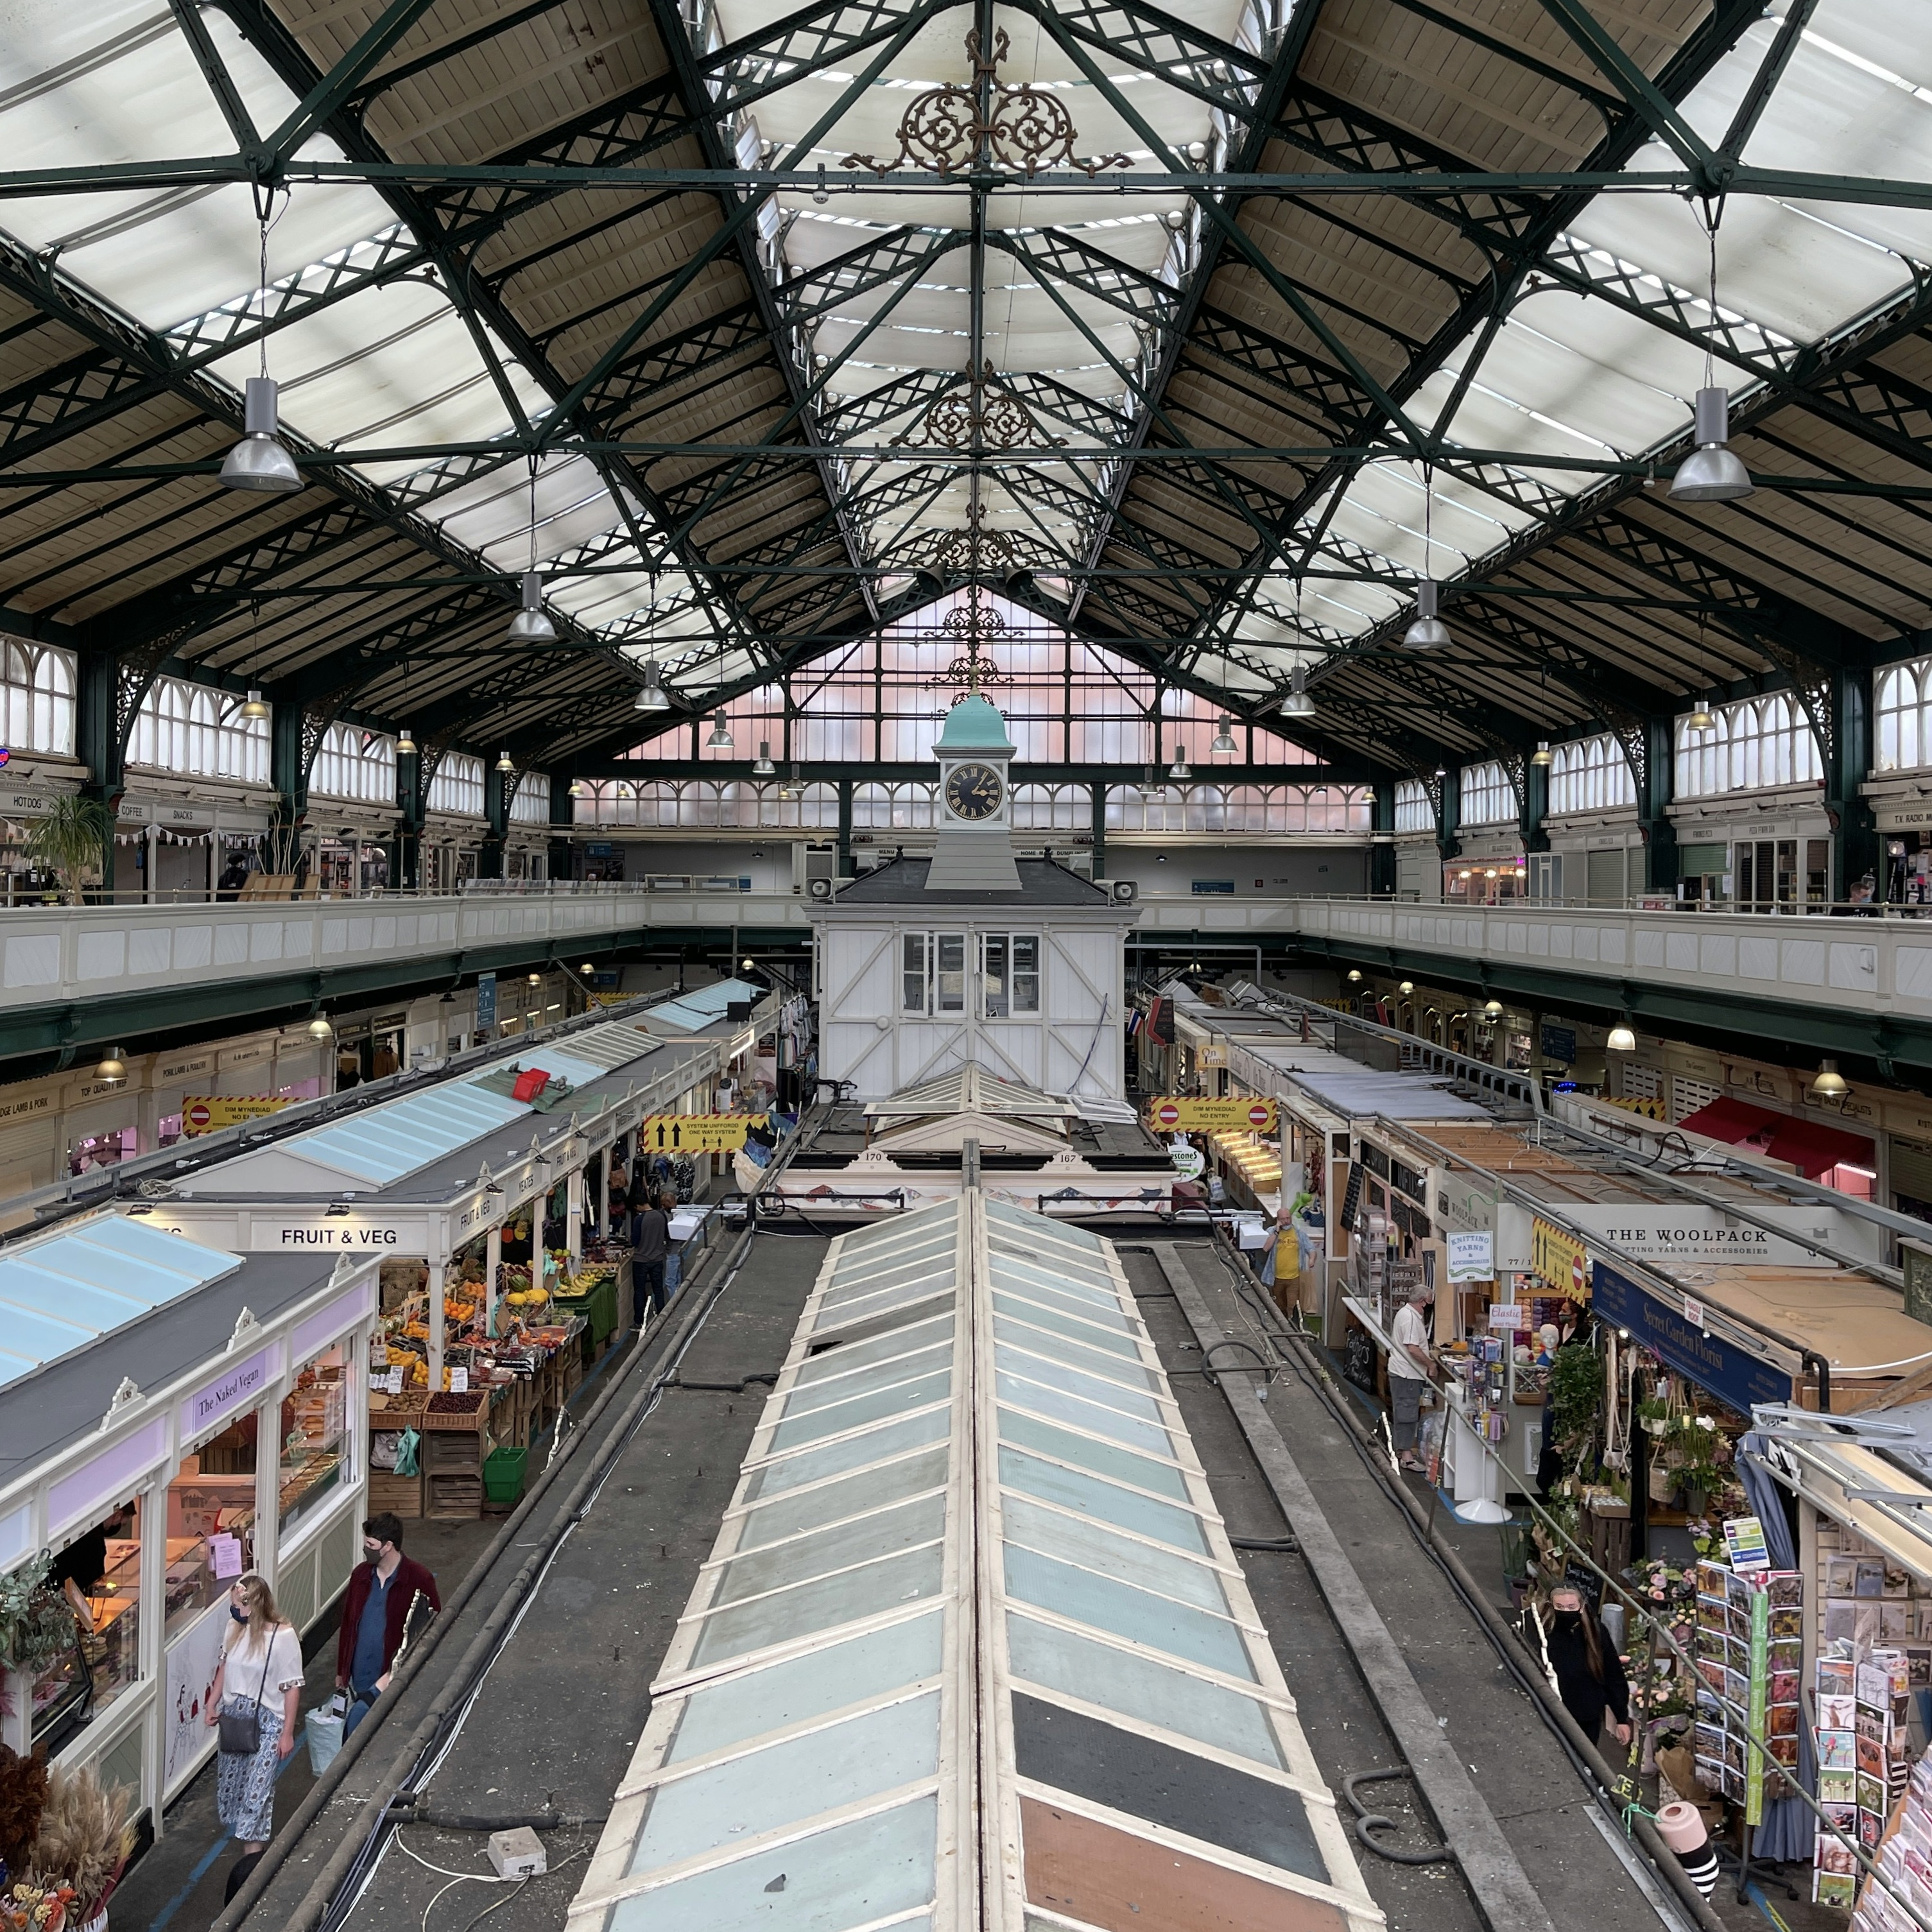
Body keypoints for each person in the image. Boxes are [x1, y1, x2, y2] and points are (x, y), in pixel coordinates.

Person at [206, 1573, 303, 1856]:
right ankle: (250, 1856)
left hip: (268, 1722)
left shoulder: (283, 1637)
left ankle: (252, 1861)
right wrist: (212, 1703)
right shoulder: (234, 1629)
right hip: (235, 1717)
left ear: (254, 1605)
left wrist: (287, 1732)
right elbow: (224, 1669)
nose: (235, 1609)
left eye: (238, 1603)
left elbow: (292, 1687)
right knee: (233, 1790)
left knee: (256, 1793)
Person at [336, 1514, 440, 1740]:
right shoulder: (360, 1576)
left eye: (371, 1545)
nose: (366, 1549)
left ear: (388, 1546)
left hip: (390, 1683)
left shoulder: (419, 1579)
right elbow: (348, 1625)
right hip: (359, 1679)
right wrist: (341, 1671)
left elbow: (433, 1629)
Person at [1537, 1585, 1632, 1752]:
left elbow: (1613, 1674)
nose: (1566, 1611)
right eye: (1560, 1607)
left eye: (1571, 1607)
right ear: (1551, 1607)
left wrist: (1621, 1718)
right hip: (1552, 1714)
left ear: (1581, 1608)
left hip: (1587, 1716)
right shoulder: (1543, 1635)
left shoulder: (1596, 1633)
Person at [1387, 1285, 1435, 1474]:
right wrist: (1430, 1364)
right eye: (1429, 1303)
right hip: (1406, 1373)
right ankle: (1406, 1456)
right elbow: (1413, 1348)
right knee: (1407, 1413)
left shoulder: (1405, 1314)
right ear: (1422, 1301)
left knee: (1404, 1411)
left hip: (1404, 1372)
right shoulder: (1411, 1319)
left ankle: (1402, 1450)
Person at [632, 1189, 670, 1325]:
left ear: (639, 1206)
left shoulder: (639, 1219)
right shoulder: (661, 1216)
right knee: (658, 1289)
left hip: (640, 1260)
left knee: (639, 1291)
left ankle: (639, 1321)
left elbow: (635, 1241)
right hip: (658, 1259)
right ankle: (661, 1316)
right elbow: (666, 1234)